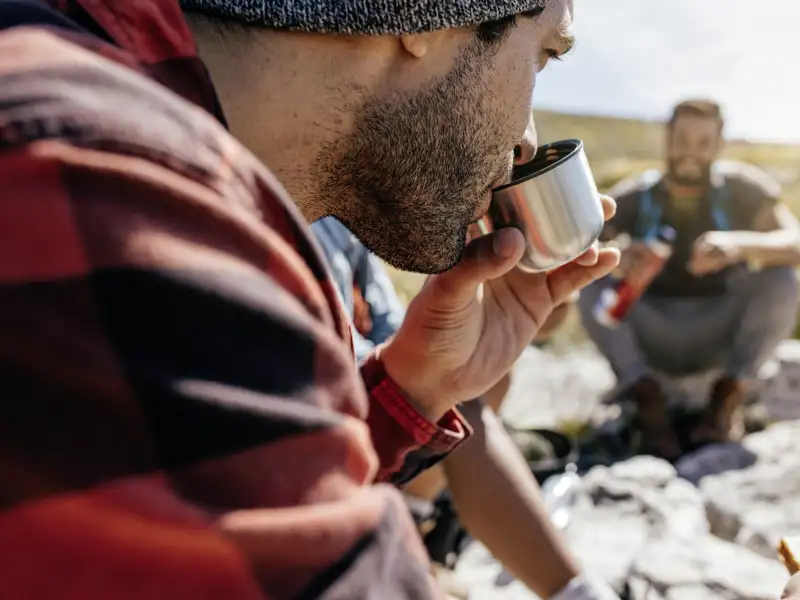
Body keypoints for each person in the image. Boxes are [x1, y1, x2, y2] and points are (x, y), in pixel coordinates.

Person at [0, 1, 620, 599]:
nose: (528, 143)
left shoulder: (206, 187)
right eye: (542, 56)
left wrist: (414, 391)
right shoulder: (100, 184)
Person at [311, 216, 596, 599]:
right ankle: (574, 592)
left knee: (487, 376)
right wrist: (431, 369)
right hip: (318, 434)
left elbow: (387, 325)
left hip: (363, 423)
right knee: (460, 398)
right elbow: (334, 366)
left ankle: (408, 530)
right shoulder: (294, 217)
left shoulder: (338, 220)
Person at [578, 99, 799, 460]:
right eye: (682, 140)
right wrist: (619, 252)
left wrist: (738, 245)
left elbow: (794, 242)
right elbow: (582, 241)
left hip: (719, 329)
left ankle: (726, 400)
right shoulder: (637, 195)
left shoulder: (743, 189)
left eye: (703, 142)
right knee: (590, 279)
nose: (690, 153)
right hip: (653, 330)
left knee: (782, 280)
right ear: (668, 139)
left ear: (718, 145)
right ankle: (648, 406)